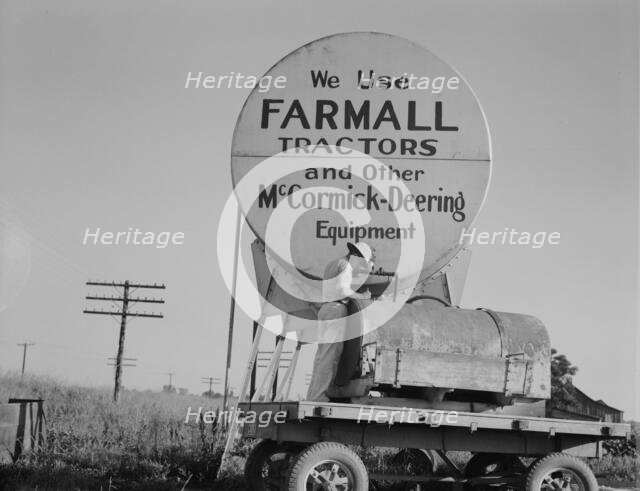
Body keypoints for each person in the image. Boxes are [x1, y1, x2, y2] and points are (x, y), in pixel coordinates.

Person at [306, 241, 375, 402]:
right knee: (330, 357)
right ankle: (319, 397)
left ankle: (313, 395)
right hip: (336, 310)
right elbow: (343, 290)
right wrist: (363, 297)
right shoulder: (346, 266)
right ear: (357, 256)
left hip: (326, 310)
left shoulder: (334, 263)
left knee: (322, 357)